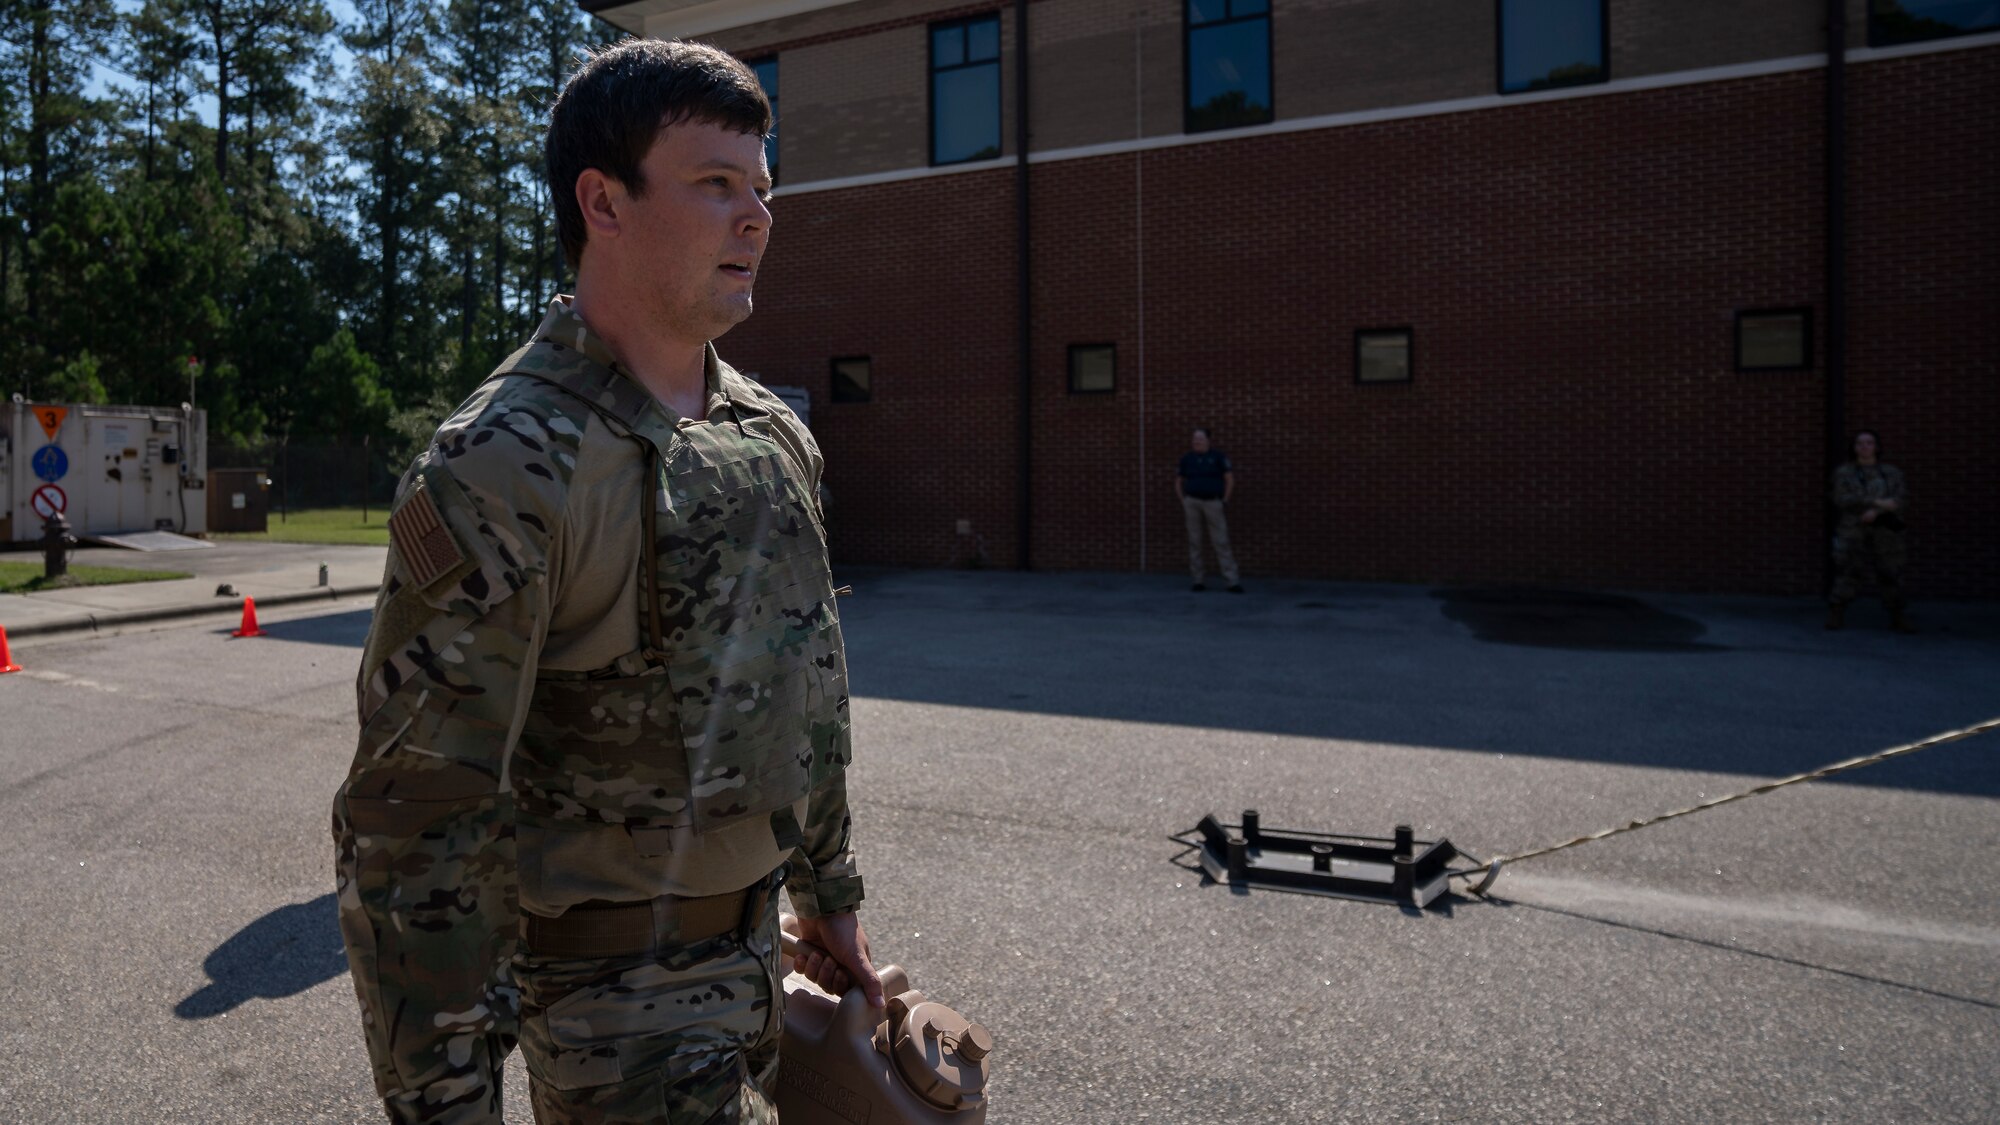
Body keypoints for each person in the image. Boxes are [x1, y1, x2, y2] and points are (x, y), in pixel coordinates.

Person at [332, 39, 880, 1125]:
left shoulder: (770, 434)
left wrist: (833, 898)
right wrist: (442, 1103)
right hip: (612, 1013)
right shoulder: (502, 462)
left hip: (763, 962)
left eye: (761, 188)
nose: (757, 216)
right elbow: (413, 823)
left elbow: (803, 690)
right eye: (715, 184)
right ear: (604, 202)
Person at [1827, 429, 1915, 633]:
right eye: (1860, 443)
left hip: (1886, 531)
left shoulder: (1892, 473)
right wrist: (1875, 502)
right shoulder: (1844, 473)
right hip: (1853, 529)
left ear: (1876, 446)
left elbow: (1900, 500)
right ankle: (1836, 611)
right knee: (1848, 571)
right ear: (1854, 447)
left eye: (1869, 443)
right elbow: (1842, 499)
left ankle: (1897, 615)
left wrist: (1875, 512)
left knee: (1891, 572)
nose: (1865, 447)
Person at [1177, 427, 1242, 593]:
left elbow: (1229, 479)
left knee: (1221, 541)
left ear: (1208, 440)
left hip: (1213, 503)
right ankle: (1198, 580)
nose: (1196, 442)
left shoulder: (1218, 457)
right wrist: (1183, 500)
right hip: (1192, 502)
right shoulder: (1187, 459)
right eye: (1194, 439)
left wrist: (1225, 500)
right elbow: (1178, 481)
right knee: (1195, 541)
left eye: (1199, 439)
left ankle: (1232, 581)